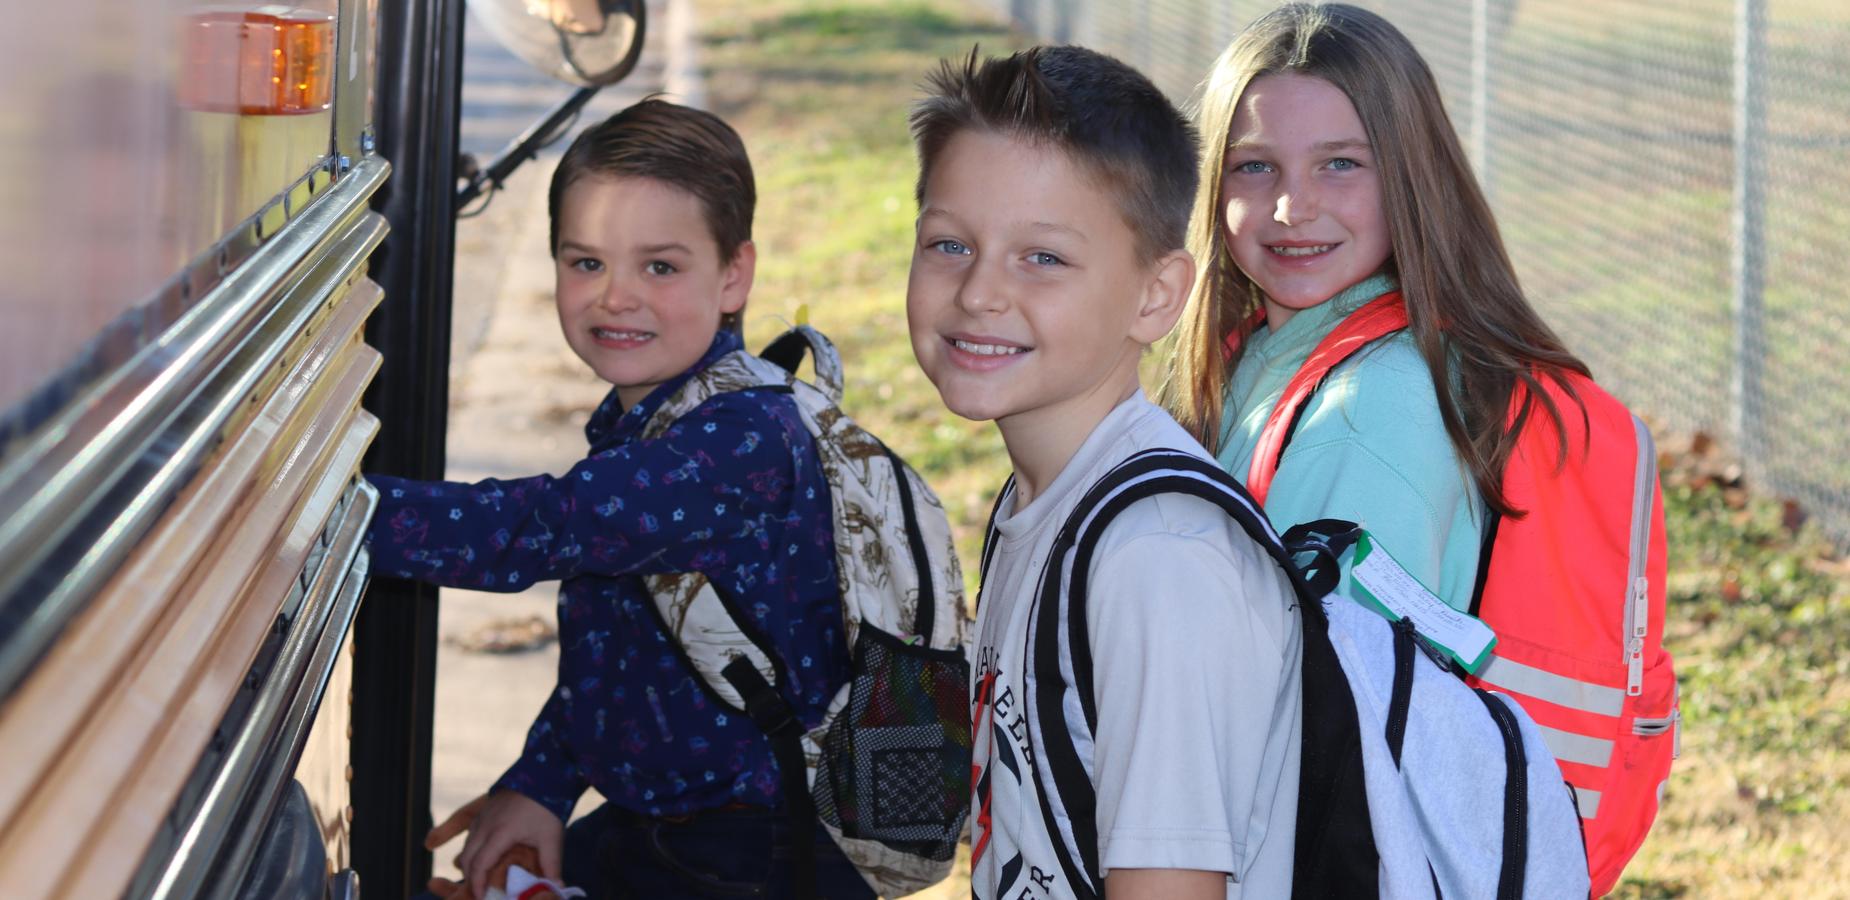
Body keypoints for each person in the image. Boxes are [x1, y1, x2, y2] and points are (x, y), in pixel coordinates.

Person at [365, 97, 873, 900]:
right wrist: (542, 781)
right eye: (586, 262)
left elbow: (541, 529)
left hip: (757, 853)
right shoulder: (659, 418)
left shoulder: (737, 443)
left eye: (660, 266)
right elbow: (630, 640)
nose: (615, 296)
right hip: (675, 822)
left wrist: (326, 512)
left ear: (734, 275)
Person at [908, 46, 1303, 900]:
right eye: (950, 243)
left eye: (1042, 257)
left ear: (1156, 297)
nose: (979, 292)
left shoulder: (1156, 559)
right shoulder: (1048, 496)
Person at [1161, 3, 1590, 612]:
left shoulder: (1371, 409)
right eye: (1255, 166)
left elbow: (1325, 693)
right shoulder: (1265, 346)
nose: (1292, 207)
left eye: (1340, 164)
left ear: (1412, 179)